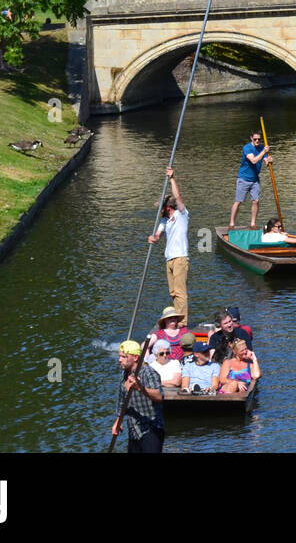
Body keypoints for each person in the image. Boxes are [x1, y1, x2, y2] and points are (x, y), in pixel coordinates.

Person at [148, 167, 190, 323]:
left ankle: (182, 323)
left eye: (160, 208)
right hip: (169, 260)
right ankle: (177, 320)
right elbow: (157, 236)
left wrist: (172, 178)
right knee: (173, 293)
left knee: (180, 292)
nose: (158, 212)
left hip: (180, 258)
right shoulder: (164, 221)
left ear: (167, 208)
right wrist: (152, 238)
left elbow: (178, 196)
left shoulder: (181, 215)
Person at [112, 341, 165, 453]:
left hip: (151, 429)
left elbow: (159, 396)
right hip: (134, 430)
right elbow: (122, 399)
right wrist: (118, 420)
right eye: (119, 356)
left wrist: (140, 388)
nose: (119, 359)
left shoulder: (148, 372)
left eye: (123, 356)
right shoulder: (124, 373)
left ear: (135, 357)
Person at [231, 130, 272, 230]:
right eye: (255, 139)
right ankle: (232, 223)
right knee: (238, 201)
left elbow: (266, 159)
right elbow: (253, 160)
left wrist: (269, 160)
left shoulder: (262, 148)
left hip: (255, 180)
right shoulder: (247, 148)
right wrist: (264, 152)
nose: (257, 141)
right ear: (251, 138)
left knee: (256, 201)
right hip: (244, 179)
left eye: (259, 139)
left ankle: (253, 224)